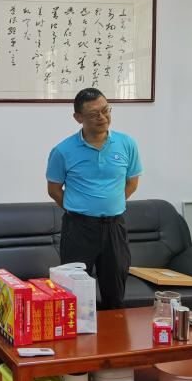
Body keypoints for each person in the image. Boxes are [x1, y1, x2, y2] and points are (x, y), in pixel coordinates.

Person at [47, 87, 142, 310]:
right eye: (93, 114)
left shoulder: (127, 144)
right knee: (74, 297)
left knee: (115, 294)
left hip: (114, 228)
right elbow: (54, 189)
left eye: (105, 110)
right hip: (78, 229)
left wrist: (110, 204)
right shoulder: (62, 150)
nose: (102, 117)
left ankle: (114, 334)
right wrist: (80, 208)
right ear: (78, 118)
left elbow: (131, 183)